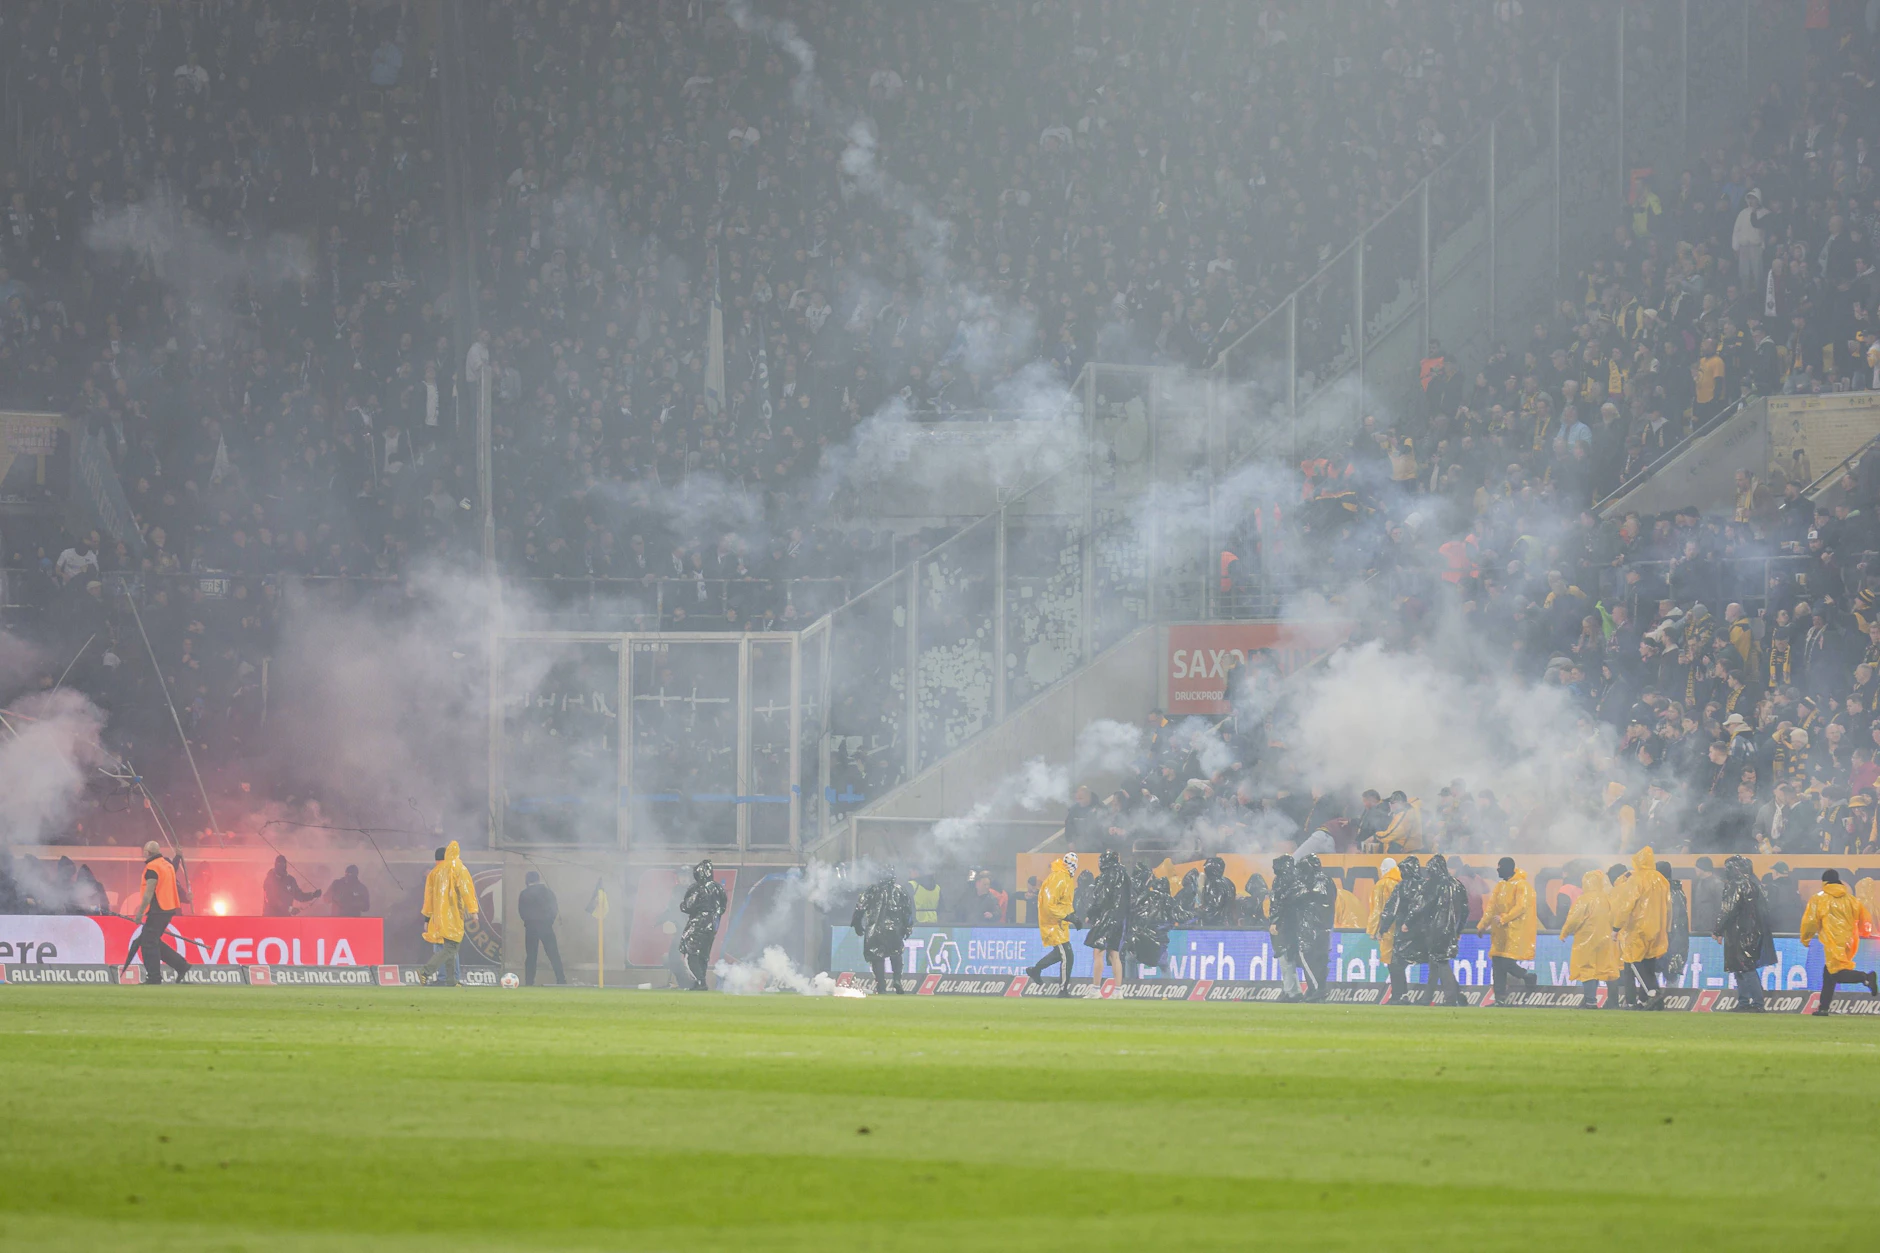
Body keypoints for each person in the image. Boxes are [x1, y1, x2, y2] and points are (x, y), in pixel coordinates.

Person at [1799, 870, 1879, 1015]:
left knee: (1836, 973)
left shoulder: (1819, 899)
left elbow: (1810, 921)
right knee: (1828, 973)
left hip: (1832, 942)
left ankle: (1865, 978)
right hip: (1850, 942)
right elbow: (1865, 919)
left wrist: (1806, 938)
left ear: (1824, 882)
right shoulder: (1851, 899)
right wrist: (1864, 932)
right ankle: (1823, 1008)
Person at [1610, 847, 1671, 1009]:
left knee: (1633, 960)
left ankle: (1652, 992)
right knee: (1649, 962)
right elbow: (1668, 905)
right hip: (1658, 927)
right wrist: (1667, 926)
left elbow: (1626, 906)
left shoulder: (1636, 880)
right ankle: (1645, 1000)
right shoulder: (1661, 879)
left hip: (1638, 927)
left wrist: (1616, 927)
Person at [1407, 854, 1469, 1005]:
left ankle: (1450, 998)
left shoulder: (1432, 884)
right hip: (1451, 929)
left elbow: (1421, 906)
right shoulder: (1457, 884)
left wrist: (1408, 922)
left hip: (1435, 929)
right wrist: (1458, 930)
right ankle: (1428, 998)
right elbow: (1465, 909)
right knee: (1435, 964)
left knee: (1440, 961)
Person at [1714, 855, 1773, 1012]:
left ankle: (1755, 1003)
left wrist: (1718, 929)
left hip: (1738, 933)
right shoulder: (1756, 884)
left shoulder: (1736, 885)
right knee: (1743, 967)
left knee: (1744, 968)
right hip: (1754, 931)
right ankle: (1745, 1002)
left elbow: (1728, 908)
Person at [127, 841, 191, 985]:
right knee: (152, 940)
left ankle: (154, 977)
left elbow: (148, 893)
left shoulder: (152, 868)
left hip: (157, 910)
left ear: (148, 853)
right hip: (168, 909)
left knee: (148, 943)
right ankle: (181, 965)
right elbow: (174, 869)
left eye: (144, 851)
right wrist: (178, 857)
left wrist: (140, 913)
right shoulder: (166, 864)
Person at [417, 842, 478, 986]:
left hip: (437, 918)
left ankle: (451, 981)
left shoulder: (434, 873)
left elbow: (428, 898)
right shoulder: (457, 868)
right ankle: (425, 971)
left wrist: (427, 919)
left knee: (449, 947)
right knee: (451, 948)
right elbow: (466, 890)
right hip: (452, 915)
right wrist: (473, 910)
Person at [1559, 870, 1623, 1008]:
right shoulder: (1608, 898)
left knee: (1587, 968)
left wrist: (1565, 932)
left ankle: (1590, 1000)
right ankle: (1613, 1001)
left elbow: (1574, 919)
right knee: (1608, 968)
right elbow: (1616, 917)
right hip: (1606, 940)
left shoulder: (1584, 899)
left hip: (1586, 939)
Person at [1479, 857, 1539, 1001]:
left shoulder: (1522, 885)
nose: (1497, 869)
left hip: (1515, 931)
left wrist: (1505, 918)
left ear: (1508, 868)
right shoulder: (1500, 886)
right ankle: (1499, 998)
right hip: (1500, 932)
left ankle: (1526, 975)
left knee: (1506, 962)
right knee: (1497, 964)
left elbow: (1521, 907)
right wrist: (1482, 925)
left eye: (1500, 867)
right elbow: (1491, 908)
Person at [852, 866, 914, 994]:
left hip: (875, 929)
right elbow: (907, 911)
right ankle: (897, 979)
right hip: (895, 929)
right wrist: (907, 927)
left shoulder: (872, 890)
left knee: (877, 957)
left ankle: (881, 985)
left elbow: (860, 907)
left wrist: (857, 924)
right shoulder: (900, 890)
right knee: (896, 954)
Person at [1024, 853, 1078, 995]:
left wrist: (1070, 917)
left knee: (1059, 954)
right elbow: (1050, 905)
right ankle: (1063, 989)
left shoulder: (1062, 877)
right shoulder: (1060, 878)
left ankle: (1035, 970)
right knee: (1067, 955)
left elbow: (1062, 902)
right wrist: (1069, 917)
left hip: (1058, 923)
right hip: (1053, 923)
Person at [1288, 854, 1337, 1001]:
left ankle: (1317, 989)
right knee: (1320, 959)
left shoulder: (1314, 881)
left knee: (1306, 957)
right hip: (1325, 926)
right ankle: (1314, 988)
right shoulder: (1328, 880)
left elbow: (1302, 897)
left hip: (1311, 926)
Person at [1082, 850, 1130, 989]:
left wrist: (1091, 914)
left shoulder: (1107, 876)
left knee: (1098, 952)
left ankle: (1096, 989)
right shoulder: (1125, 876)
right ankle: (1118, 990)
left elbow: (1102, 898)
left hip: (1107, 917)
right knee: (1114, 954)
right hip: (1120, 920)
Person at [679, 859, 728, 990]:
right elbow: (723, 908)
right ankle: (700, 982)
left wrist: (683, 905)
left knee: (690, 953)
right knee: (704, 955)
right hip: (713, 926)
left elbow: (688, 906)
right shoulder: (719, 888)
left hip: (698, 924)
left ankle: (700, 982)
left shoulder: (697, 888)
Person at [1380, 856, 1423, 1000]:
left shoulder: (1402, 886)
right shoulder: (1425, 886)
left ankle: (1399, 995)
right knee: (1437, 965)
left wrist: (1383, 928)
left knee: (1396, 964)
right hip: (1424, 931)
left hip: (1404, 930)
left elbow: (1392, 908)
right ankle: (1440, 995)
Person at [517, 871, 566, 986]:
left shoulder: (524, 894)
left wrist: (529, 922)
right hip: (546, 927)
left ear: (527, 880)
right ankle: (561, 980)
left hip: (531, 928)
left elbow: (521, 911)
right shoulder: (549, 892)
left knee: (531, 956)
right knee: (554, 954)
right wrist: (548, 922)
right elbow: (554, 909)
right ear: (538, 879)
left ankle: (529, 982)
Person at [1127, 864, 1176, 978]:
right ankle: (1167, 991)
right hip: (1159, 938)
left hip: (1141, 936)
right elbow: (1177, 917)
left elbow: (1135, 911)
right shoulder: (1168, 900)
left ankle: (1131, 987)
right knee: (1163, 964)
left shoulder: (1146, 896)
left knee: (1131, 959)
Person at [1368, 857, 1403, 992]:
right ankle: (1401, 993)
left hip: (1387, 929)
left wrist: (1373, 930)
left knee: (1391, 962)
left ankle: (1396, 993)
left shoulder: (1381, 885)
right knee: (1398, 963)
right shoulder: (1400, 883)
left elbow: (1377, 909)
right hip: (1400, 929)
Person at [1660, 861, 1691, 986]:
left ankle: (1651, 998)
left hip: (1666, 938)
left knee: (1656, 970)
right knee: (1672, 973)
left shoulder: (1663, 892)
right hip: (1677, 938)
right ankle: (1672, 998)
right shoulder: (1679, 891)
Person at [1196, 855, 1237, 925]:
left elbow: (1214, 905)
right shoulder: (1228, 882)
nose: (1204, 867)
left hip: (1216, 926)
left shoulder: (1214, 883)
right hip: (1227, 923)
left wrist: (1197, 912)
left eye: (1206, 866)